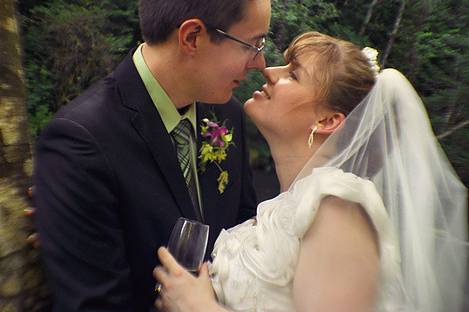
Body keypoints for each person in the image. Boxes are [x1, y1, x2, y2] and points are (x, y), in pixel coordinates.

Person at [153, 31, 468, 312]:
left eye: (293, 74)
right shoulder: (285, 207)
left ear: (327, 121)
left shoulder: (338, 208)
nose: (269, 71)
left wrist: (198, 306)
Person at [34, 0, 271, 310]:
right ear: (192, 38)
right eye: (252, 45)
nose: (261, 62)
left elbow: (243, 235)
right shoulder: (80, 142)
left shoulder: (229, 114)